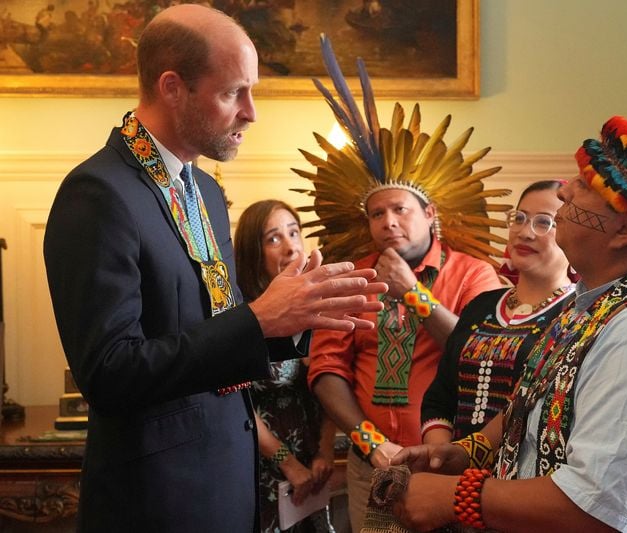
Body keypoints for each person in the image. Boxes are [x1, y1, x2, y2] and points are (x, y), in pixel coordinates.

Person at [42, 5, 385, 532]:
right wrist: (260, 319)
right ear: (172, 88)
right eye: (233, 93)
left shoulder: (201, 188)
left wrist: (291, 319)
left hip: (229, 483)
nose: (252, 112)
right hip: (157, 502)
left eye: (252, 91)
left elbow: (214, 335)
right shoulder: (98, 194)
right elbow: (109, 373)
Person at [390, 116, 627, 532]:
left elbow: (594, 511)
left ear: (626, 228)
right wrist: (468, 452)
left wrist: (453, 496)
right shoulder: (597, 306)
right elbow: (534, 403)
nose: (564, 191)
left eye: (583, 185)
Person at [295, 36, 508, 532]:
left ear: (430, 214)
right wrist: (370, 442)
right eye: (377, 214)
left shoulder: (473, 273)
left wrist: (413, 292)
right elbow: (326, 369)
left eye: (400, 209)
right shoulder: (352, 278)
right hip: (371, 461)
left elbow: (478, 356)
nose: (388, 222)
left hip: (444, 461)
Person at [420, 180, 576, 444]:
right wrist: (440, 454)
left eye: (544, 222)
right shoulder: (481, 306)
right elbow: (440, 397)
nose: (524, 232)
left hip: (527, 467)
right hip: (451, 466)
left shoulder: (578, 313)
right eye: (520, 218)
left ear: (573, 235)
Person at [235, 199, 337, 533]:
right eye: (274, 238)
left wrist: (324, 451)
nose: (291, 246)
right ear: (253, 253)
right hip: (263, 461)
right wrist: (288, 464)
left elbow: (331, 382)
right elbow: (236, 403)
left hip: (312, 456)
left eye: (294, 232)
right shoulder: (243, 318)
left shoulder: (319, 307)